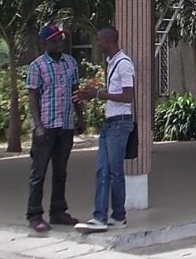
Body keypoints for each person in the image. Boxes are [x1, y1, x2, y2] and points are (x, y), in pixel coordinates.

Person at [73, 26, 134, 232]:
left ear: (108, 40)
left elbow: (128, 96)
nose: (97, 44)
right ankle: (100, 217)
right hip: (110, 123)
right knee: (102, 170)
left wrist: (99, 94)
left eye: (99, 40)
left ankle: (117, 216)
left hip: (119, 123)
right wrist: (91, 95)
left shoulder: (124, 64)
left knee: (115, 172)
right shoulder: (112, 62)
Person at [25, 23, 81, 233]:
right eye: (55, 40)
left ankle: (58, 211)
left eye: (60, 39)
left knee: (61, 171)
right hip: (46, 127)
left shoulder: (70, 63)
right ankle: (34, 215)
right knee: (38, 173)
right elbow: (32, 97)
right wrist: (38, 125)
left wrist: (80, 117)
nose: (59, 43)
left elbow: (75, 91)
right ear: (45, 43)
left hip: (65, 125)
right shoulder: (37, 66)